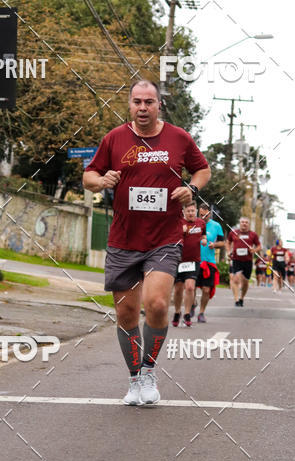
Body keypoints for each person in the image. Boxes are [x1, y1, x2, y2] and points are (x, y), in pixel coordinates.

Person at [83, 80, 211, 404]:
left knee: (156, 304)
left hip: (164, 239)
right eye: (137, 102)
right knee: (126, 314)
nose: (143, 107)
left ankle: (149, 369)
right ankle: (134, 379)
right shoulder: (114, 138)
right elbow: (89, 176)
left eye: (149, 102)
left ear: (158, 105)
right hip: (123, 240)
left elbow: (202, 170)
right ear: (130, 105)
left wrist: (191, 189)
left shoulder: (178, 138)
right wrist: (102, 181)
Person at [172, 203, 207, 328]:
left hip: (193, 261)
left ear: (196, 210)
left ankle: (187, 313)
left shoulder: (201, 223)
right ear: (184, 212)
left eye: (192, 211)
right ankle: (177, 312)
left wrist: (204, 240)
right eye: (188, 211)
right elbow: (170, 238)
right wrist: (180, 232)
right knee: (178, 289)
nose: (191, 213)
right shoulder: (178, 223)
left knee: (190, 287)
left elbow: (203, 234)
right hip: (179, 260)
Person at [195, 204, 225, 321]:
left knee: (206, 290)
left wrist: (215, 244)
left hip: (209, 261)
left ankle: (201, 312)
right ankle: (192, 304)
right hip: (195, 260)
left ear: (210, 213)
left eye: (205, 215)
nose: (203, 217)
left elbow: (222, 243)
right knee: (191, 287)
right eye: (201, 215)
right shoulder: (194, 223)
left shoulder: (216, 226)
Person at [226, 217, 261, 307]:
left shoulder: (253, 234)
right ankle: (236, 300)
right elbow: (228, 242)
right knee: (235, 279)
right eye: (242, 222)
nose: (244, 224)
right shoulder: (233, 233)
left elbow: (259, 246)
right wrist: (228, 251)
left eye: (246, 222)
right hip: (236, 259)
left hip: (247, 261)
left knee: (245, 282)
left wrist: (254, 250)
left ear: (248, 224)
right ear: (240, 223)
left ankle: (241, 298)